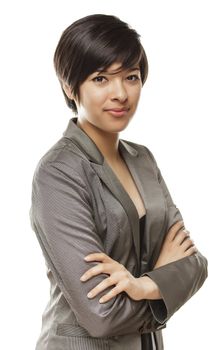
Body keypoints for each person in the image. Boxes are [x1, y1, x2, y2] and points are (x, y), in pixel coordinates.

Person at [29, 14, 208, 350]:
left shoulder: (143, 160)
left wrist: (142, 286)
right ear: (70, 86)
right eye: (101, 79)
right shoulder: (59, 172)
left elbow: (195, 264)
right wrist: (162, 286)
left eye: (131, 76)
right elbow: (100, 313)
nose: (121, 93)